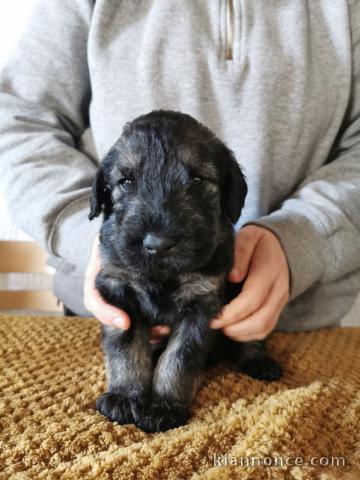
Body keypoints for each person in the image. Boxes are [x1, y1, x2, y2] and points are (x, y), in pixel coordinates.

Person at [0, 1, 359, 345]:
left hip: (298, 330)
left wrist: (305, 236)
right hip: (107, 320)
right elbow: (18, 121)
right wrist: (86, 230)